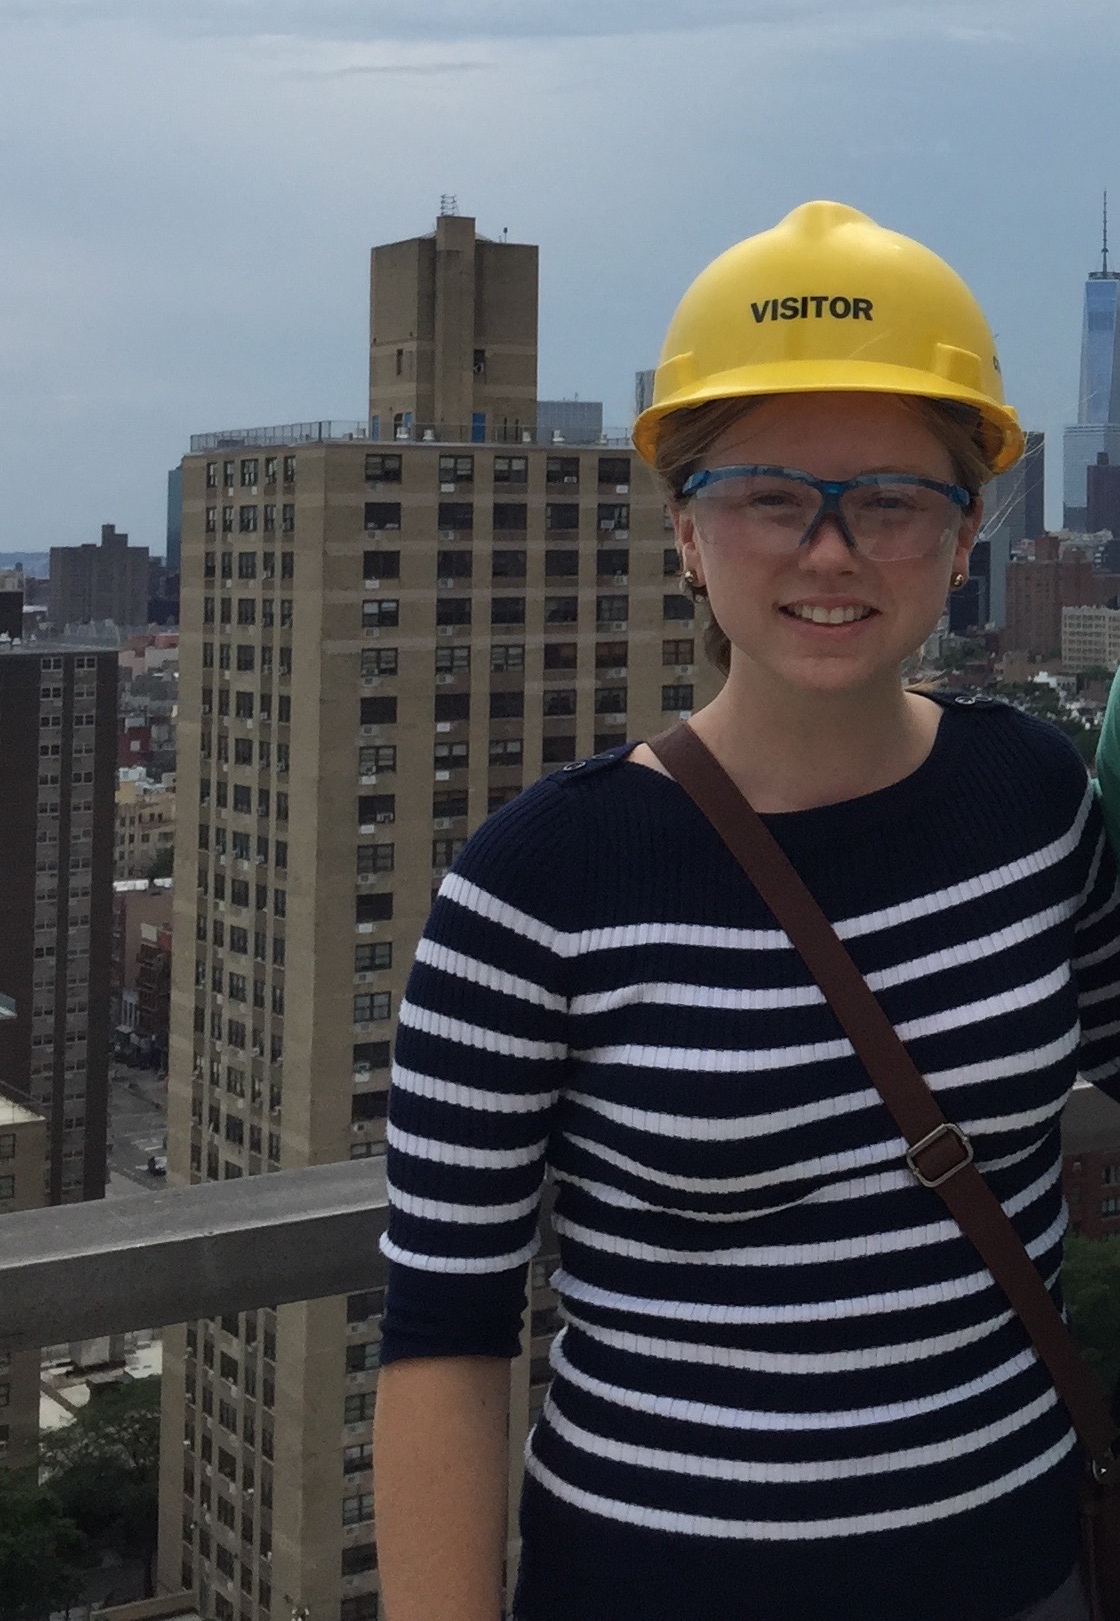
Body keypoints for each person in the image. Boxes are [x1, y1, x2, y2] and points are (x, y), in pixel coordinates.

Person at [372, 201, 1120, 1621]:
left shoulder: (1034, 796)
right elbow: (444, 1337)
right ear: (685, 532)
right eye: (769, 497)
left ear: (966, 533)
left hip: (1028, 1573)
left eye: (892, 500)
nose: (830, 551)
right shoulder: (536, 885)